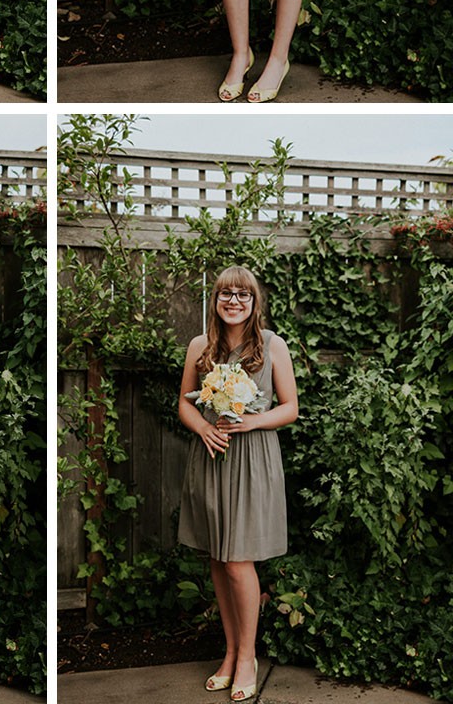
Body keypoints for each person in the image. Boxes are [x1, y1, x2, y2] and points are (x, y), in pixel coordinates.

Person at [177, 266, 298, 702]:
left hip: (252, 460)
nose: (234, 301)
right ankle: (229, 654)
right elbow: (185, 405)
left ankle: (248, 658)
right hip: (212, 456)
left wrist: (250, 422)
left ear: (254, 302)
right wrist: (202, 429)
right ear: (215, 300)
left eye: (242, 295)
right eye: (226, 293)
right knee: (217, 557)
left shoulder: (272, 346)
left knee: (238, 561)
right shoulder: (199, 347)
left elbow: (290, 409)